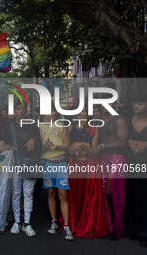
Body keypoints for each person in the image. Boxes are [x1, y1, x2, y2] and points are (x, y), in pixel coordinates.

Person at [88, 100, 127, 240]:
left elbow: (123, 141)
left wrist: (102, 146)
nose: (104, 106)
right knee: (104, 192)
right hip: (102, 159)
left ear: (115, 103)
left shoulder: (119, 120)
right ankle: (108, 226)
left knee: (116, 194)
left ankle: (118, 229)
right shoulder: (101, 119)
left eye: (108, 103)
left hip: (116, 158)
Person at [67, 106, 108, 239]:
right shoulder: (70, 127)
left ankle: (90, 222)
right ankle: (76, 221)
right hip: (75, 162)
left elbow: (92, 148)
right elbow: (67, 145)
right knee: (76, 193)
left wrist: (80, 144)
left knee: (90, 194)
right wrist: (80, 145)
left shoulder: (94, 127)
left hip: (90, 163)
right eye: (78, 111)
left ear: (87, 113)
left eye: (83, 111)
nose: (80, 113)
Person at [39, 105, 74, 241]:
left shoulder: (61, 125)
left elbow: (67, 144)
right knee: (51, 193)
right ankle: (54, 221)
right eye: (50, 110)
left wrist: (57, 146)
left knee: (63, 194)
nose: (53, 113)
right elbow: (38, 149)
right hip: (46, 163)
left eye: (55, 110)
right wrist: (44, 147)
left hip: (60, 163)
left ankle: (66, 226)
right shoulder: (39, 127)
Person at [8, 101, 41, 237]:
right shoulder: (10, 127)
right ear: (14, 111)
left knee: (28, 193)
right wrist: (4, 144)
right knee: (16, 193)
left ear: (26, 111)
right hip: (15, 163)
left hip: (30, 162)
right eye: (18, 109)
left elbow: (40, 143)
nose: (20, 111)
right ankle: (17, 221)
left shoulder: (33, 125)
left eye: (23, 109)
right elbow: (4, 142)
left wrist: (34, 141)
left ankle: (27, 223)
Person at [124, 97, 147, 248]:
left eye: (140, 102)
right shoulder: (128, 120)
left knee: (145, 196)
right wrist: (129, 141)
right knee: (132, 193)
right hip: (131, 162)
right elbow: (121, 139)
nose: (136, 106)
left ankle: (144, 233)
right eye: (134, 103)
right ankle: (131, 229)